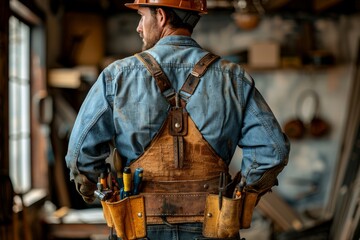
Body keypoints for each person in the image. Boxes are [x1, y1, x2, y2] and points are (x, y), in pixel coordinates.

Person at [65, 0, 290, 239]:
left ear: (161, 16)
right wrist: (243, 193)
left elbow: (80, 157)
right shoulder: (233, 78)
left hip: (138, 226)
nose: (139, 28)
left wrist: (95, 190)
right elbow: (273, 151)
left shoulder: (116, 76)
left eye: (142, 17)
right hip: (213, 224)